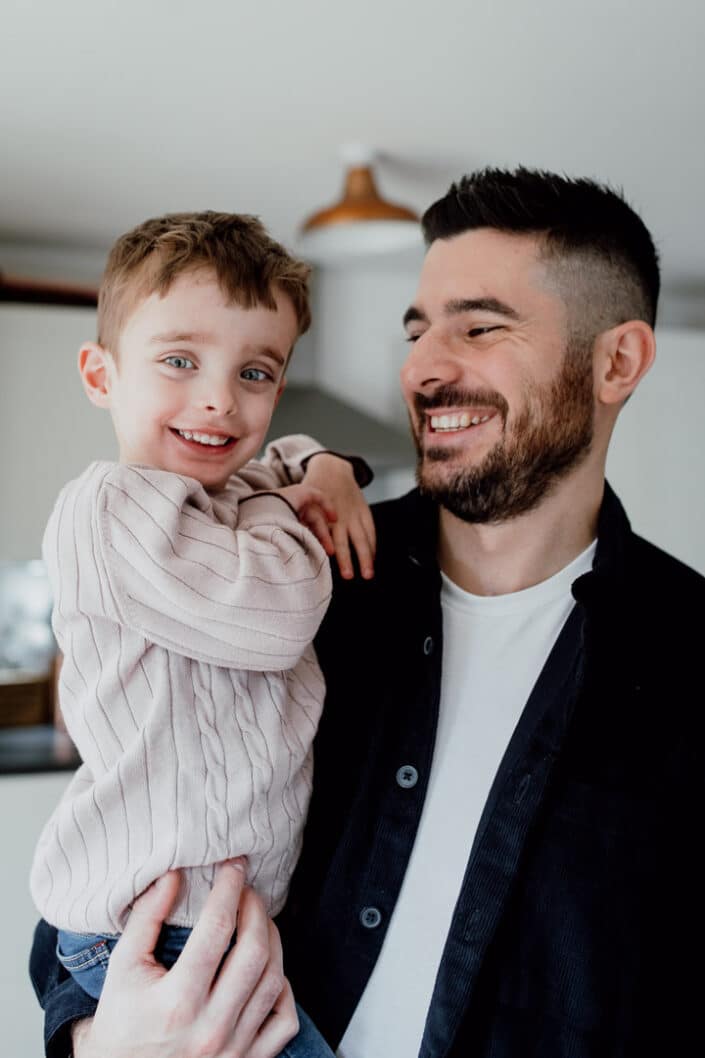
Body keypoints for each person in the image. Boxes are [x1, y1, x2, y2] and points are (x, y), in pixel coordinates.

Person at [31, 170, 704, 1058]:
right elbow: (122, 850)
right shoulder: (304, 574)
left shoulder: (691, 656)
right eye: (417, 329)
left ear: (615, 361)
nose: (423, 367)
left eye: (479, 326)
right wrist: (99, 1039)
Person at [28, 210, 376, 1058]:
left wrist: (326, 467)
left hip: (207, 920)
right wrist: (281, 495)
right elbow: (282, 613)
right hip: (156, 932)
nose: (220, 397)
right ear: (100, 375)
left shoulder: (221, 493)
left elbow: (284, 457)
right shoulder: (108, 509)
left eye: (255, 371)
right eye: (180, 361)